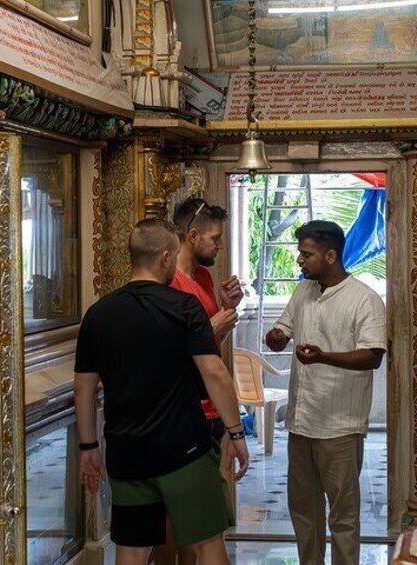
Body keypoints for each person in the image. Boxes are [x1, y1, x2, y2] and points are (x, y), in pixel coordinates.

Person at [74, 219, 250, 565]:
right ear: (166, 258)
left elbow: (84, 386)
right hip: (183, 449)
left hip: (126, 453)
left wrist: (88, 447)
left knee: (132, 549)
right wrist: (236, 432)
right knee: (208, 544)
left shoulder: (98, 314)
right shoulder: (184, 308)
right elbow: (213, 371)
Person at [265, 220, 387, 565]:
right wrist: (275, 337)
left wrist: (324, 357)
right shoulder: (303, 291)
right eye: (300, 254)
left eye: (307, 254)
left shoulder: (364, 300)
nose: (300, 261)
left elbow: (372, 356)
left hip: (340, 426)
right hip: (301, 422)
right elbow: (282, 330)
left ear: (330, 255)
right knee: (304, 511)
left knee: (343, 516)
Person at [153, 198, 244, 565]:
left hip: (209, 408)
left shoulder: (203, 278)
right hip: (182, 410)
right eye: (215, 238)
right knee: (178, 517)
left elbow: (206, 352)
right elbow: (165, 352)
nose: (219, 246)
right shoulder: (168, 281)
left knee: (204, 514)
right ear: (192, 235)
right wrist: (212, 327)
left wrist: (224, 307)